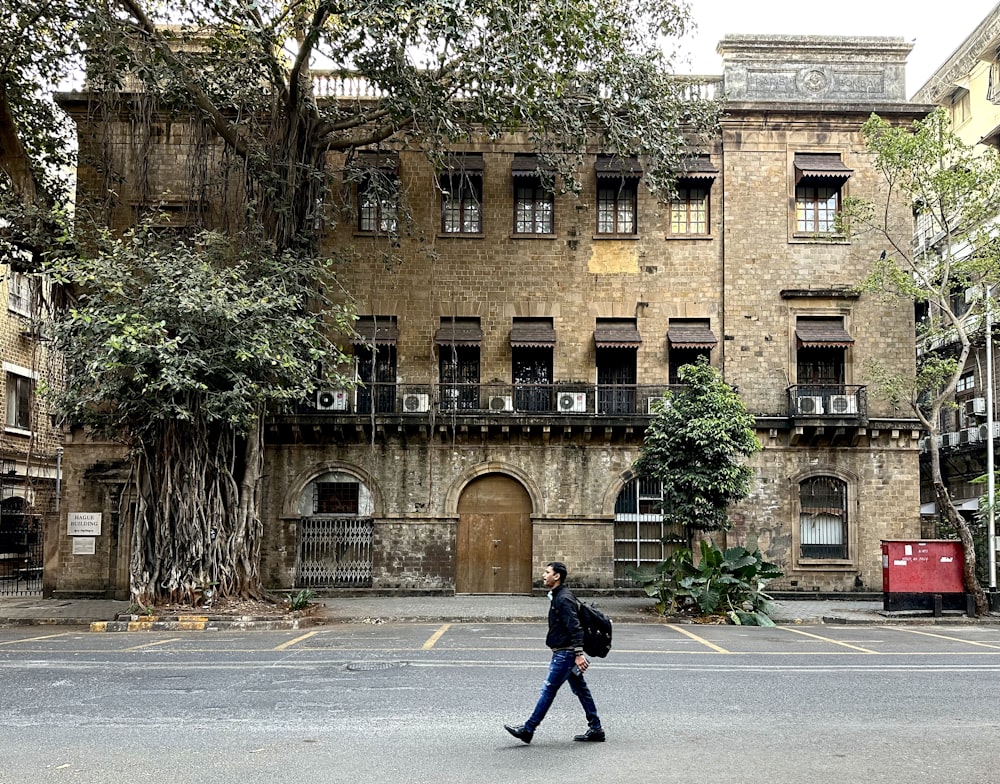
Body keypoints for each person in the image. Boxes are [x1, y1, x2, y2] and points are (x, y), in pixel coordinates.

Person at [504, 561, 605, 744]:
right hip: (564, 652)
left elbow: (575, 627)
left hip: (565, 654)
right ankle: (596, 728)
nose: (543, 575)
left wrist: (578, 653)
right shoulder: (558, 596)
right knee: (581, 690)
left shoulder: (563, 598)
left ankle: (528, 729)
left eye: (547, 572)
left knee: (549, 689)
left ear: (556, 576)